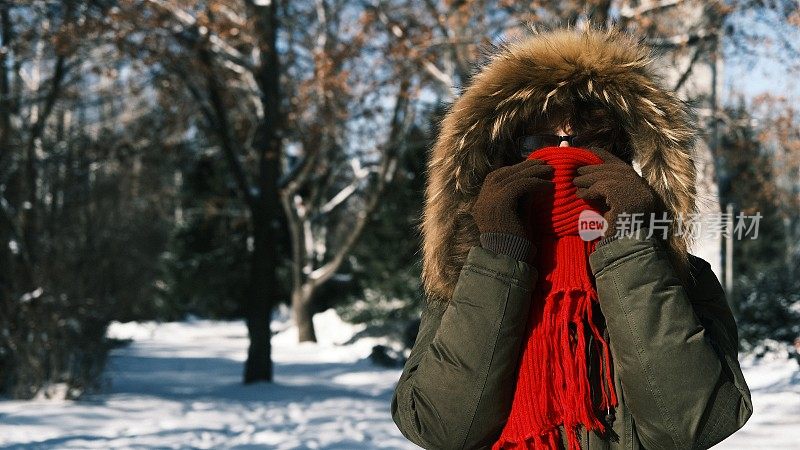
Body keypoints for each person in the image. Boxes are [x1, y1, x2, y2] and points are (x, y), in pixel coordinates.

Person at [391, 25, 753, 450]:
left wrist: (632, 244)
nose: (564, 155)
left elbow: (693, 427)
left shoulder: (681, 278)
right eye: (539, 142)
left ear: (628, 156)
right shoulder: (464, 279)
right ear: (505, 157)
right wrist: (498, 254)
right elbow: (441, 429)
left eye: (593, 141)